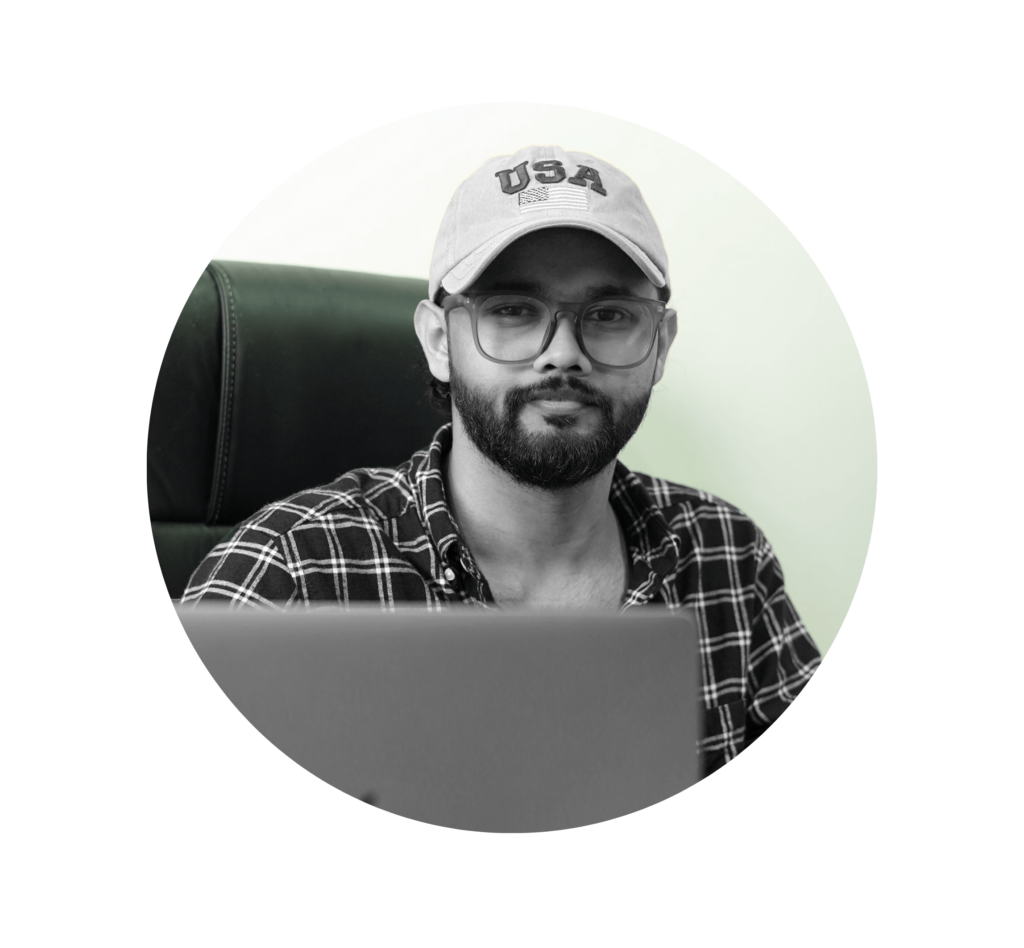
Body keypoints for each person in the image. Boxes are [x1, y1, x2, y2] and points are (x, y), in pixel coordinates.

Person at [182, 145, 821, 775]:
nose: (564, 353)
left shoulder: (726, 554)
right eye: (513, 310)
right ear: (439, 340)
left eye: (609, 314)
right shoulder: (290, 569)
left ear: (659, 346)